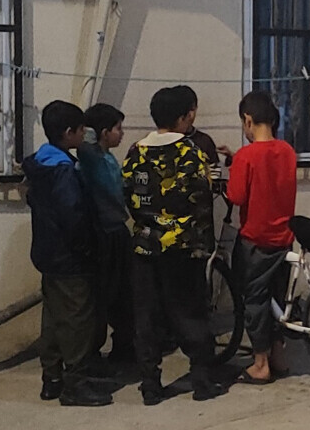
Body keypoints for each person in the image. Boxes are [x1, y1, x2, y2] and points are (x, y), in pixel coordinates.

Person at [123, 87, 225, 405]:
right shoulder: (191, 153)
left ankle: (150, 385)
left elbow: (128, 194)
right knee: (190, 313)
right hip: (184, 249)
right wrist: (203, 245)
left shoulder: (135, 151)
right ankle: (202, 381)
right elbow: (204, 200)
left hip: (145, 247)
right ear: (184, 117)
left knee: (147, 317)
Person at [21, 100, 112, 407]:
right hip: (70, 257)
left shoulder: (40, 164)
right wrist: (87, 248)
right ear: (68, 132)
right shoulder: (63, 171)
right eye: (81, 129)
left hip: (47, 252)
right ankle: (76, 384)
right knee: (77, 320)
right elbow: (73, 214)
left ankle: (52, 379)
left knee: (53, 317)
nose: (85, 134)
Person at [223, 91, 297, 384]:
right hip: (285, 238)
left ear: (248, 120)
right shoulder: (287, 151)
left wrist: (232, 168)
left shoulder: (246, 156)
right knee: (278, 299)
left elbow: (236, 196)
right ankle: (279, 357)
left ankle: (260, 364)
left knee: (255, 300)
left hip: (256, 241)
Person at [78, 104, 135, 367]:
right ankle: (92, 352)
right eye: (117, 129)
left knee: (122, 294)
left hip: (116, 231)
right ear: (103, 132)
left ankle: (123, 347)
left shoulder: (106, 157)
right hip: (104, 233)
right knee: (104, 296)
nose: (121, 134)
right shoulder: (91, 157)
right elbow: (114, 191)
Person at [174, 85, 221, 167]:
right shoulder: (168, 139)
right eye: (186, 110)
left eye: (193, 109)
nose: (191, 115)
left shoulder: (205, 140)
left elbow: (214, 169)